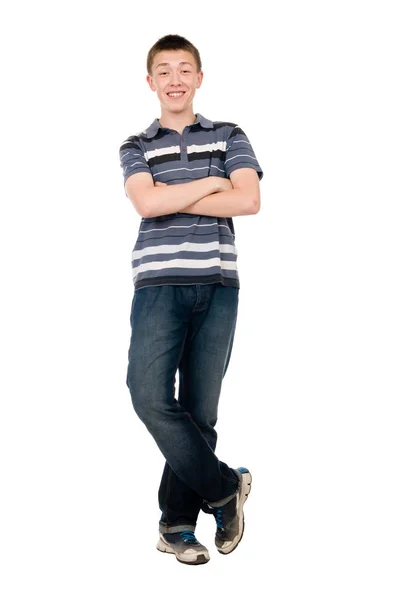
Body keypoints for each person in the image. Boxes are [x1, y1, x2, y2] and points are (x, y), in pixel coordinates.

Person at [119, 34, 263, 565]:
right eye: (164, 70)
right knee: (148, 395)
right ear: (151, 81)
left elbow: (248, 199)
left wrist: (179, 194)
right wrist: (210, 185)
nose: (175, 79)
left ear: (199, 78)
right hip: (157, 284)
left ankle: (177, 525)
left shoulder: (230, 134)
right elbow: (148, 203)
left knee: (200, 412)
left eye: (185, 69)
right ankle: (225, 487)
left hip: (219, 284)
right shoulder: (135, 145)